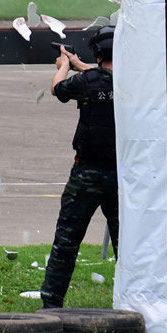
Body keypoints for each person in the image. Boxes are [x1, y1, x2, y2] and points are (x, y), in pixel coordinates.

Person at [40, 26, 120, 309]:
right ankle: (132, 300)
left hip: (86, 173)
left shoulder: (87, 81)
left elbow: (58, 89)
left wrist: (64, 66)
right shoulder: (134, 82)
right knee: (127, 246)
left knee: (67, 240)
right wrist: (79, 64)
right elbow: (108, 78)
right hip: (122, 177)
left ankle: (51, 303)